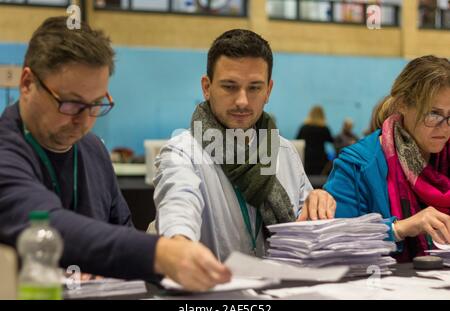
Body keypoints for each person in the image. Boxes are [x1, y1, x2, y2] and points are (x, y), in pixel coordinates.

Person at [0, 16, 231, 292]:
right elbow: (45, 225)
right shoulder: (6, 150)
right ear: (27, 83)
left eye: (96, 104)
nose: (84, 120)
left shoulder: (92, 148)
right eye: (71, 104)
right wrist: (160, 253)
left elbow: (122, 230)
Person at [153, 29, 336, 262]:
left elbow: (306, 228)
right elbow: (178, 206)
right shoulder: (182, 154)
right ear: (206, 87)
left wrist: (317, 202)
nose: (242, 101)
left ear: (268, 90)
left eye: (254, 88)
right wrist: (179, 243)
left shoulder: (284, 152)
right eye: (229, 86)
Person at [324, 55, 450, 262]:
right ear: (402, 104)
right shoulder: (358, 165)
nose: (444, 128)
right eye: (433, 114)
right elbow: (332, 242)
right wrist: (399, 228)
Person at [296, 105, 334, 175]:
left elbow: (297, 140)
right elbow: (331, 140)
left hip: (307, 157)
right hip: (320, 158)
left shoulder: (304, 127)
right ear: (322, 115)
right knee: (319, 180)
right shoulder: (324, 128)